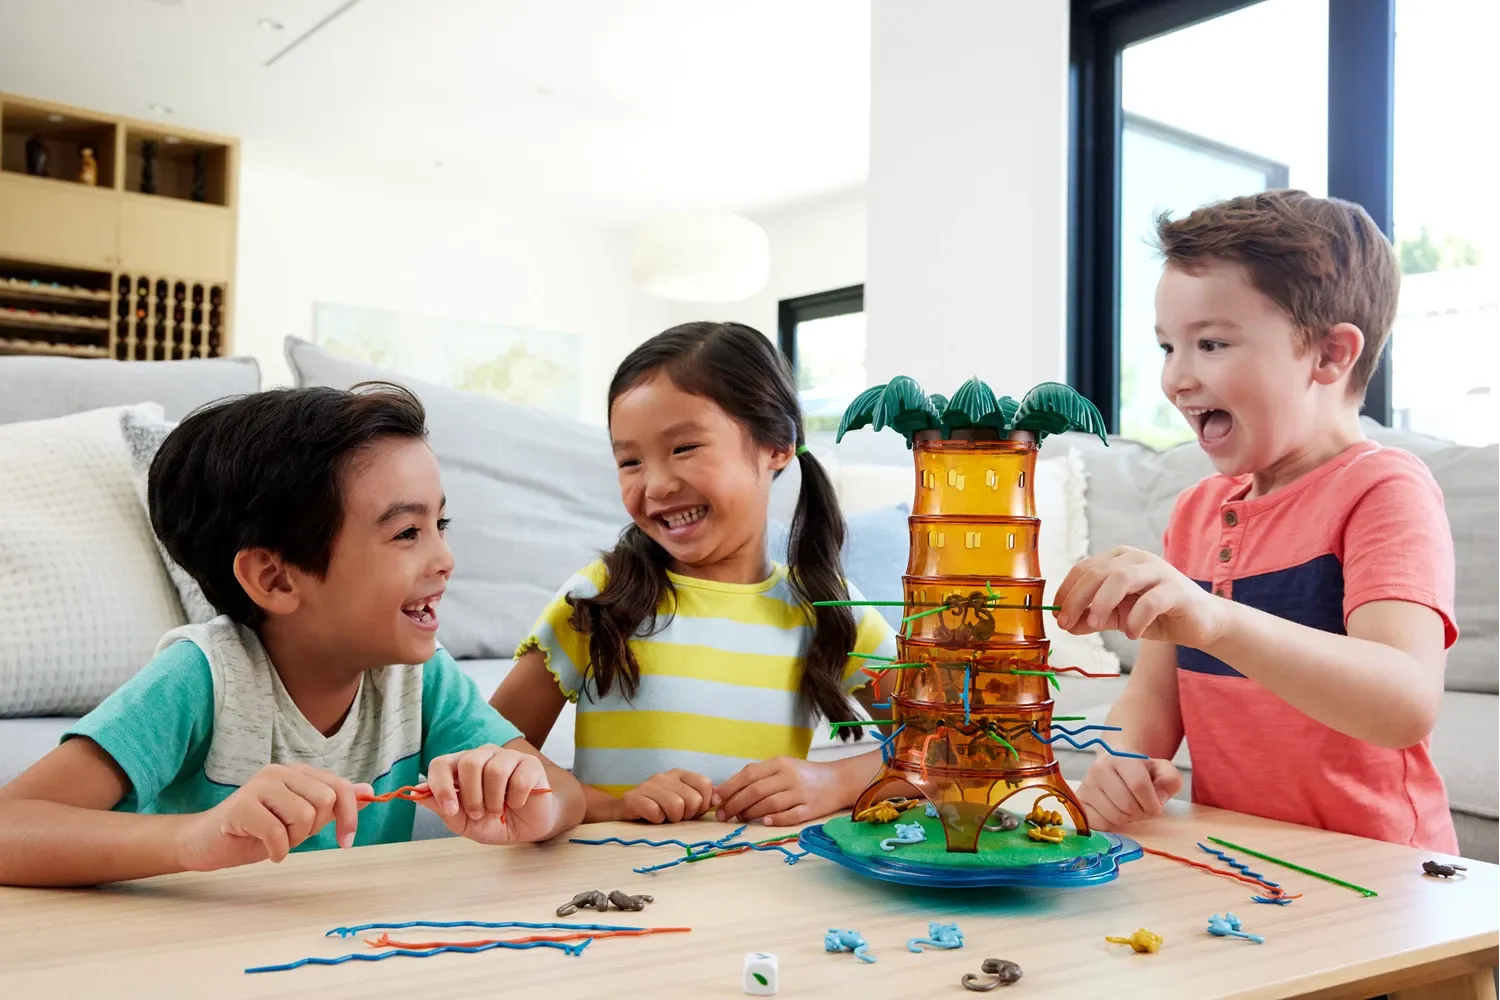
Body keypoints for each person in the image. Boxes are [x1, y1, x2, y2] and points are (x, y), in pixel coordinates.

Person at [0, 383, 585, 887]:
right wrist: (193, 838)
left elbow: (563, 792)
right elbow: (12, 824)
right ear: (275, 579)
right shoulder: (202, 680)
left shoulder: (420, 680)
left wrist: (535, 806)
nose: (445, 559)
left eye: (441, 523)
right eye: (408, 532)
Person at [1053, 189, 1458, 852]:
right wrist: (1123, 763)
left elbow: (1404, 702)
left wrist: (1217, 621)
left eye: (1210, 344)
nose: (1176, 378)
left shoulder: (1384, 490)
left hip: (1384, 870)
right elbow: (1154, 700)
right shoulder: (1196, 512)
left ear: (1330, 355)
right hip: (1242, 857)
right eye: (1167, 347)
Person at [490, 322, 898, 826]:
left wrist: (835, 782)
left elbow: (951, 749)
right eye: (630, 461)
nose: (656, 485)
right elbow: (488, 753)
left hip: (765, 870)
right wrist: (612, 805)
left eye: (683, 449)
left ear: (776, 444)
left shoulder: (828, 607)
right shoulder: (602, 597)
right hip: (613, 871)